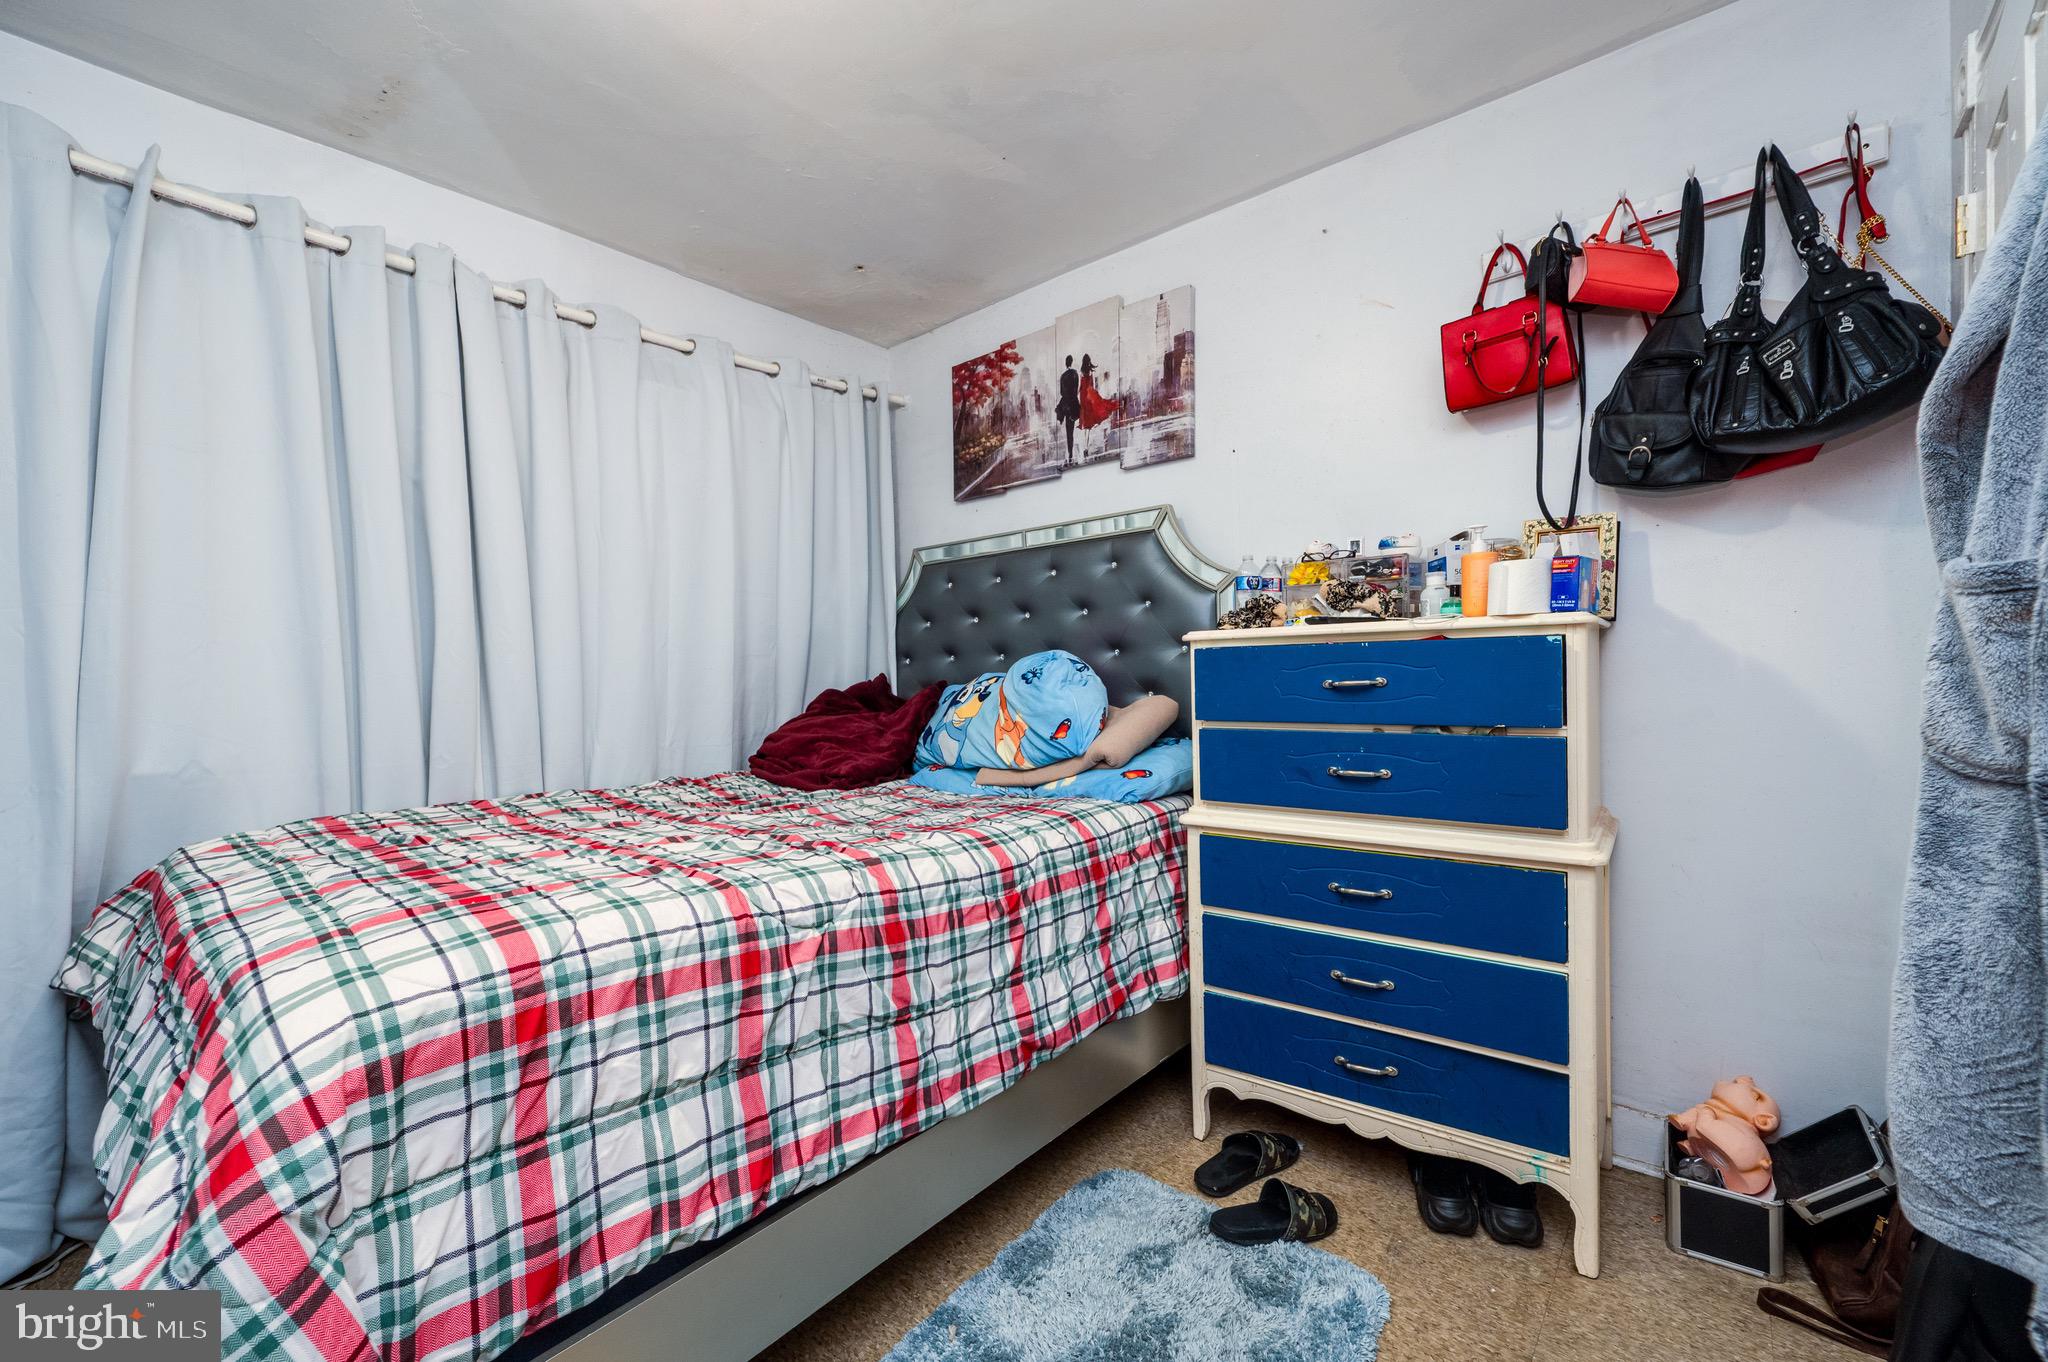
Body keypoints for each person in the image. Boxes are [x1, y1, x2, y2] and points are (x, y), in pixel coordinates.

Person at [1055, 354, 1080, 464]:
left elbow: (1061, 392)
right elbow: (1076, 389)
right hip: (1074, 404)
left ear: (1066, 363)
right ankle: (1072, 452)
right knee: (1073, 429)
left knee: (1068, 431)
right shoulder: (1075, 374)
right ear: (1072, 362)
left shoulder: (1063, 376)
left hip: (1066, 405)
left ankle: (1070, 453)